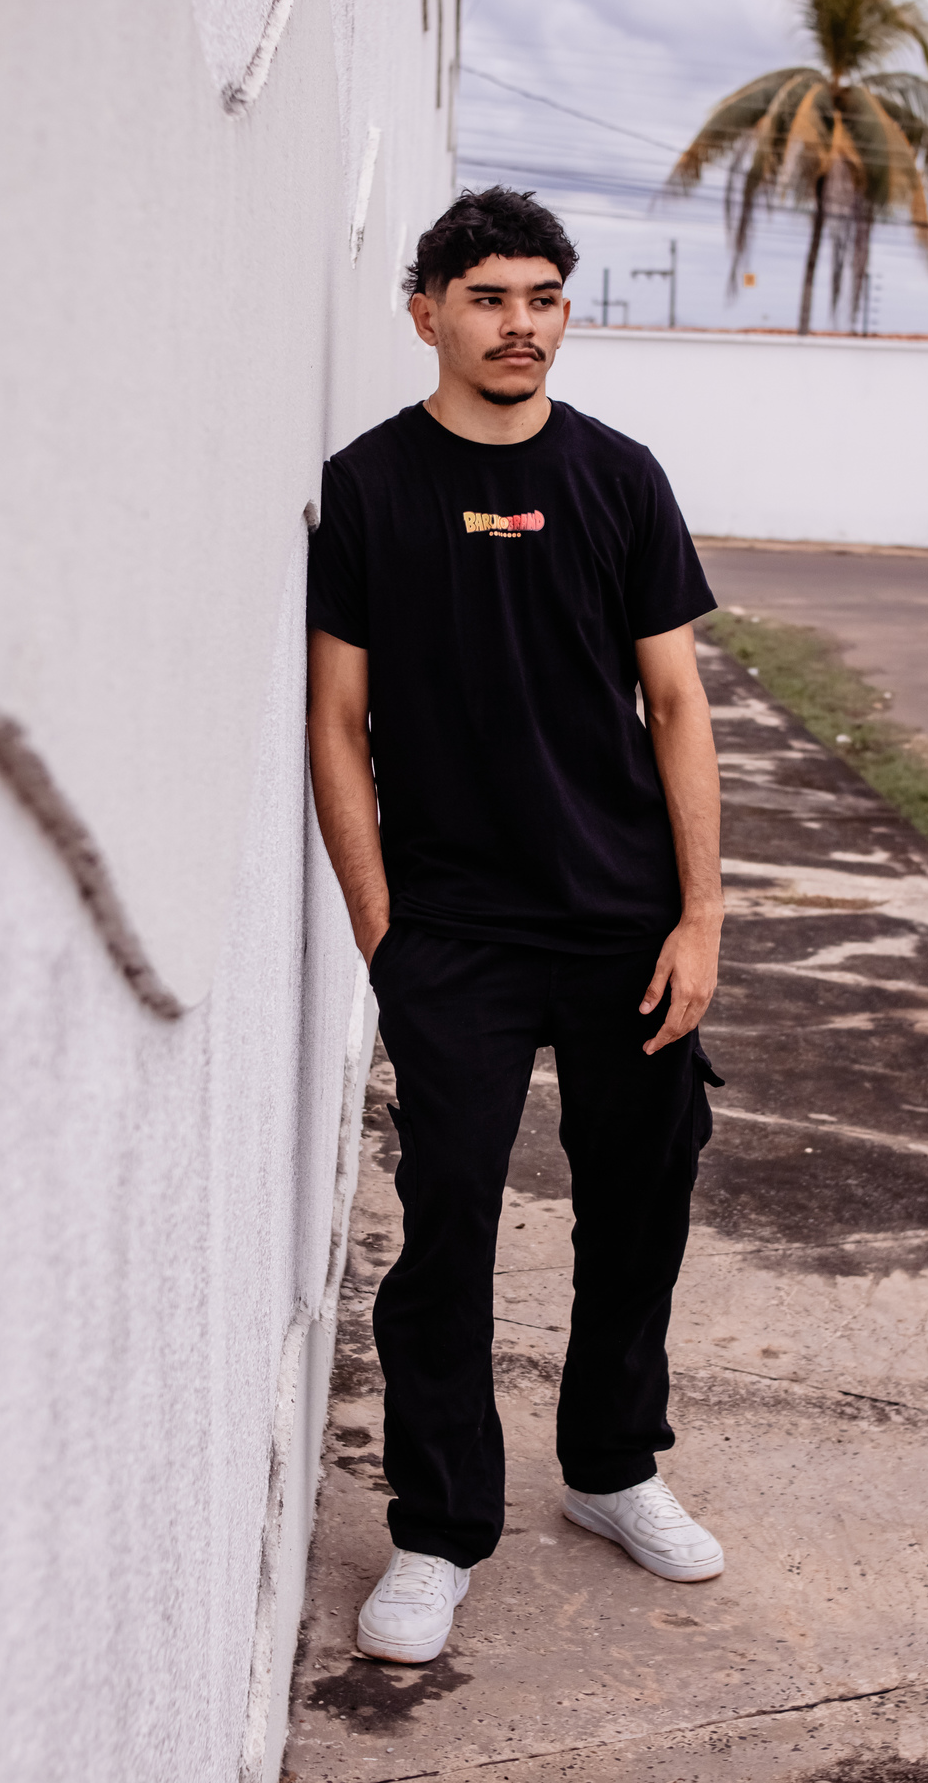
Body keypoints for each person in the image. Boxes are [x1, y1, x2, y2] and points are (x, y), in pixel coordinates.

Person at [306, 186, 725, 1667]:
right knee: (447, 1233)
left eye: (543, 297)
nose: (520, 324)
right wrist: (386, 935)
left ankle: (611, 1467)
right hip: (457, 937)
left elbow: (676, 704)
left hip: (624, 923)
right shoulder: (368, 488)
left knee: (641, 1208)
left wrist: (702, 917)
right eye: (488, 297)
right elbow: (338, 724)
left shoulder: (618, 478)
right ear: (426, 309)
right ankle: (437, 1532)